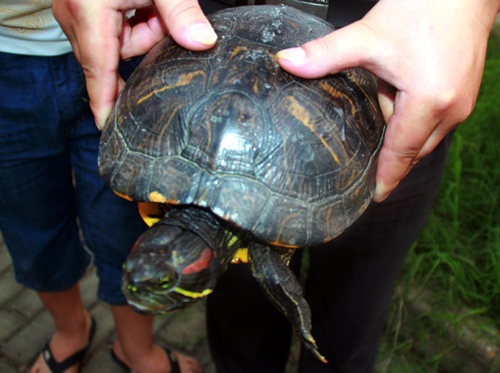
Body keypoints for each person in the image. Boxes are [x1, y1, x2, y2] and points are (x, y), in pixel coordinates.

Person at [51, 0, 500, 371]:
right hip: (202, 29)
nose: (140, 285)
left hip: (395, 65)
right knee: (240, 337)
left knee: (347, 330)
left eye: (160, 279)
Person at [0, 2, 202, 373]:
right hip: (6, 60)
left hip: (121, 38)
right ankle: (71, 332)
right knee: (31, 229)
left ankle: (136, 348)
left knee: (127, 224)